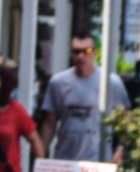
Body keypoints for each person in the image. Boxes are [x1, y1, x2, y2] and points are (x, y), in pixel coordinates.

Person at [38, 34, 129, 163]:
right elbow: (49, 122)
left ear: (95, 53)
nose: (81, 56)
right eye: (76, 51)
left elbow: (125, 120)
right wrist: (41, 156)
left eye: (87, 51)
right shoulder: (58, 82)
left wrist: (120, 150)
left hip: (99, 161)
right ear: (71, 53)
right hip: (65, 159)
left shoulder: (111, 82)